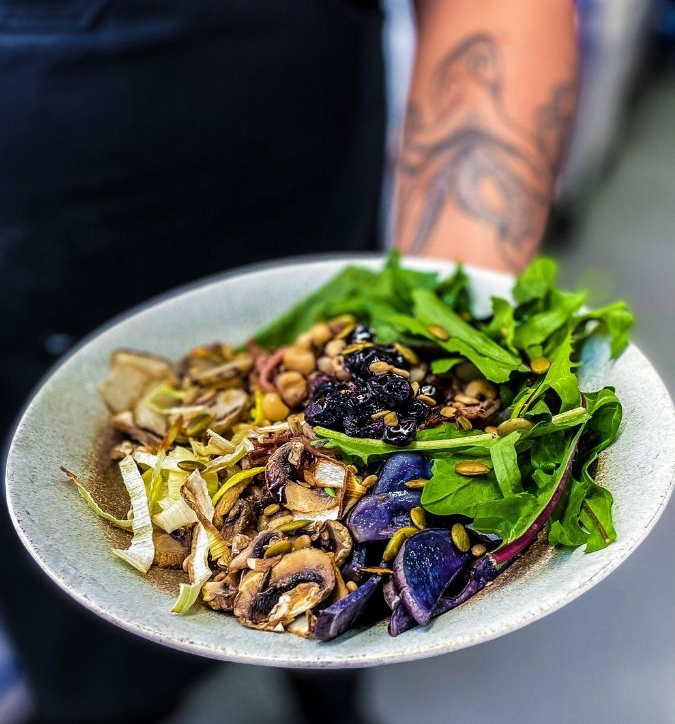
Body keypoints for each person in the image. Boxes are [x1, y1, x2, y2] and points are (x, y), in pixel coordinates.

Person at [0, 1, 577, 722]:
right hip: (32, 269)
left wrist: (441, 334)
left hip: (306, 220)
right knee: (96, 682)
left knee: (344, 627)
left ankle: (329, 682)